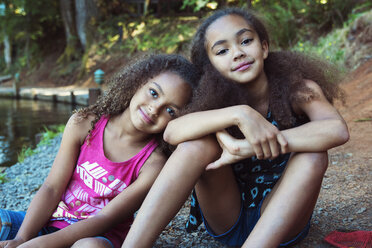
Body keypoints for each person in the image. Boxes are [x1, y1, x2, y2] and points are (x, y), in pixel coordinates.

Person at [122, 8, 349, 248]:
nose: (238, 53)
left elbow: (337, 130)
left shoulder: (298, 88)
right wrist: (240, 114)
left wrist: (248, 147)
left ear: (264, 47)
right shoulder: (211, 100)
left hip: (283, 221)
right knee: (195, 144)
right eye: (222, 50)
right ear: (210, 66)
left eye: (246, 41)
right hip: (226, 215)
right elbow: (172, 132)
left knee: (313, 155)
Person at [0, 54, 199, 248]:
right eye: (154, 93)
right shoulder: (84, 123)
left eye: (170, 111)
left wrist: (41, 244)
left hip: (97, 235)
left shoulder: (153, 164)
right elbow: (52, 188)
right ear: (138, 82)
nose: (155, 109)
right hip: (53, 221)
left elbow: (106, 218)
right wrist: (22, 238)